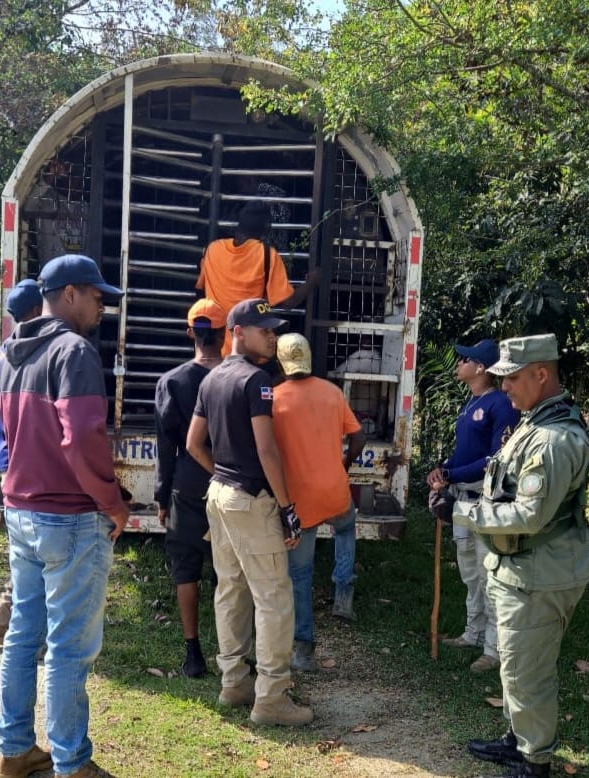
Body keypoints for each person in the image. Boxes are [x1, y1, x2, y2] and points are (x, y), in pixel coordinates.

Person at [0, 254, 129, 778]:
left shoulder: (10, 352)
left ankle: (15, 752)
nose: (102, 307)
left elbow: (8, 432)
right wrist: (113, 502)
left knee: (23, 637)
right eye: (97, 297)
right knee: (69, 649)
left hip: (21, 511)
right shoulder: (74, 352)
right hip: (70, 518)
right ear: (70, 293)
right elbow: (82, 438)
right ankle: (72, 764)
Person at [436, 334, 589, 778]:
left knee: (530, 671)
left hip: (540, 574)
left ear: (541, 374)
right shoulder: (534, 421)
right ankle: (518, 739)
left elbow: (530, 513)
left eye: (514, 378)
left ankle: (534, 760)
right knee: (516, 664)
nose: (505, 388)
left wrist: (460, 511)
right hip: (521, 568)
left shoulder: (553, 438)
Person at [185, 298, 314, 727]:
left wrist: (222, 474)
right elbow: (266, 448)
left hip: (218, 495)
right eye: (264, 329)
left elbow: (193, 445)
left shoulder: (212, 378)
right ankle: (272, 698)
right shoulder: (257, 380)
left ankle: (234, 682)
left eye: (274, 329)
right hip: (250, 498)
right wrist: (286, 506)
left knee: (231, 591)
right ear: (238, 331)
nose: (272, 335)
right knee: (274, 599)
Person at [272, 333, 366, 672]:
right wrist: (343, 465)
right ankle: (343, 596)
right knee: (345, 529)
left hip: (301, 501)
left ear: (281, 360)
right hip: (335, 491)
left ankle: (304, 650)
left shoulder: (274, 400)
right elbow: (359, 436)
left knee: (300, 573)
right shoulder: (332, 392)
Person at [427, 339, 519, 673]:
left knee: (488, 571)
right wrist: (443, 471)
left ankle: (493, 649)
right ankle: (473, 632)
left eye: (464, 359)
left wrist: (452, 473)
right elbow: (464, 450)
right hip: (461, 498)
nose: (458, 363)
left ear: (481, 368)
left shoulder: (499, 405)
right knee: (469, 570)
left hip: (485, 499)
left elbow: (496, 459)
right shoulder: (471, 403)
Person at [153, 298, 226, 679]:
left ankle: (193, 653)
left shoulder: (172, 382)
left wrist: (162, 495)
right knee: (228, 572)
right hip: (230, 485)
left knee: (186, 570)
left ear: (190, 334)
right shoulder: (238, 376)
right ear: (224, 334)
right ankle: (232, 653)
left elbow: (166, 445)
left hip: (187, 485)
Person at [0, 279, 44, 646]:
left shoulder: (6, 352)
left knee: (24, 548)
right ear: (38, 311)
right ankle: (21, 628)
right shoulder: (36, 350)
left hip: (9, 460)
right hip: (32, 462)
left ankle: (3, 619)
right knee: (40, 551)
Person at [194, 200, 316, 355]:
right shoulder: (267, 255)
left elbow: (201, 288)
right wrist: (312, 282)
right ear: (267, 228)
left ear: (238, 225)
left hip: (214, 348)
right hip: (249, 349)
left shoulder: (212, 250)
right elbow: (288, 302)